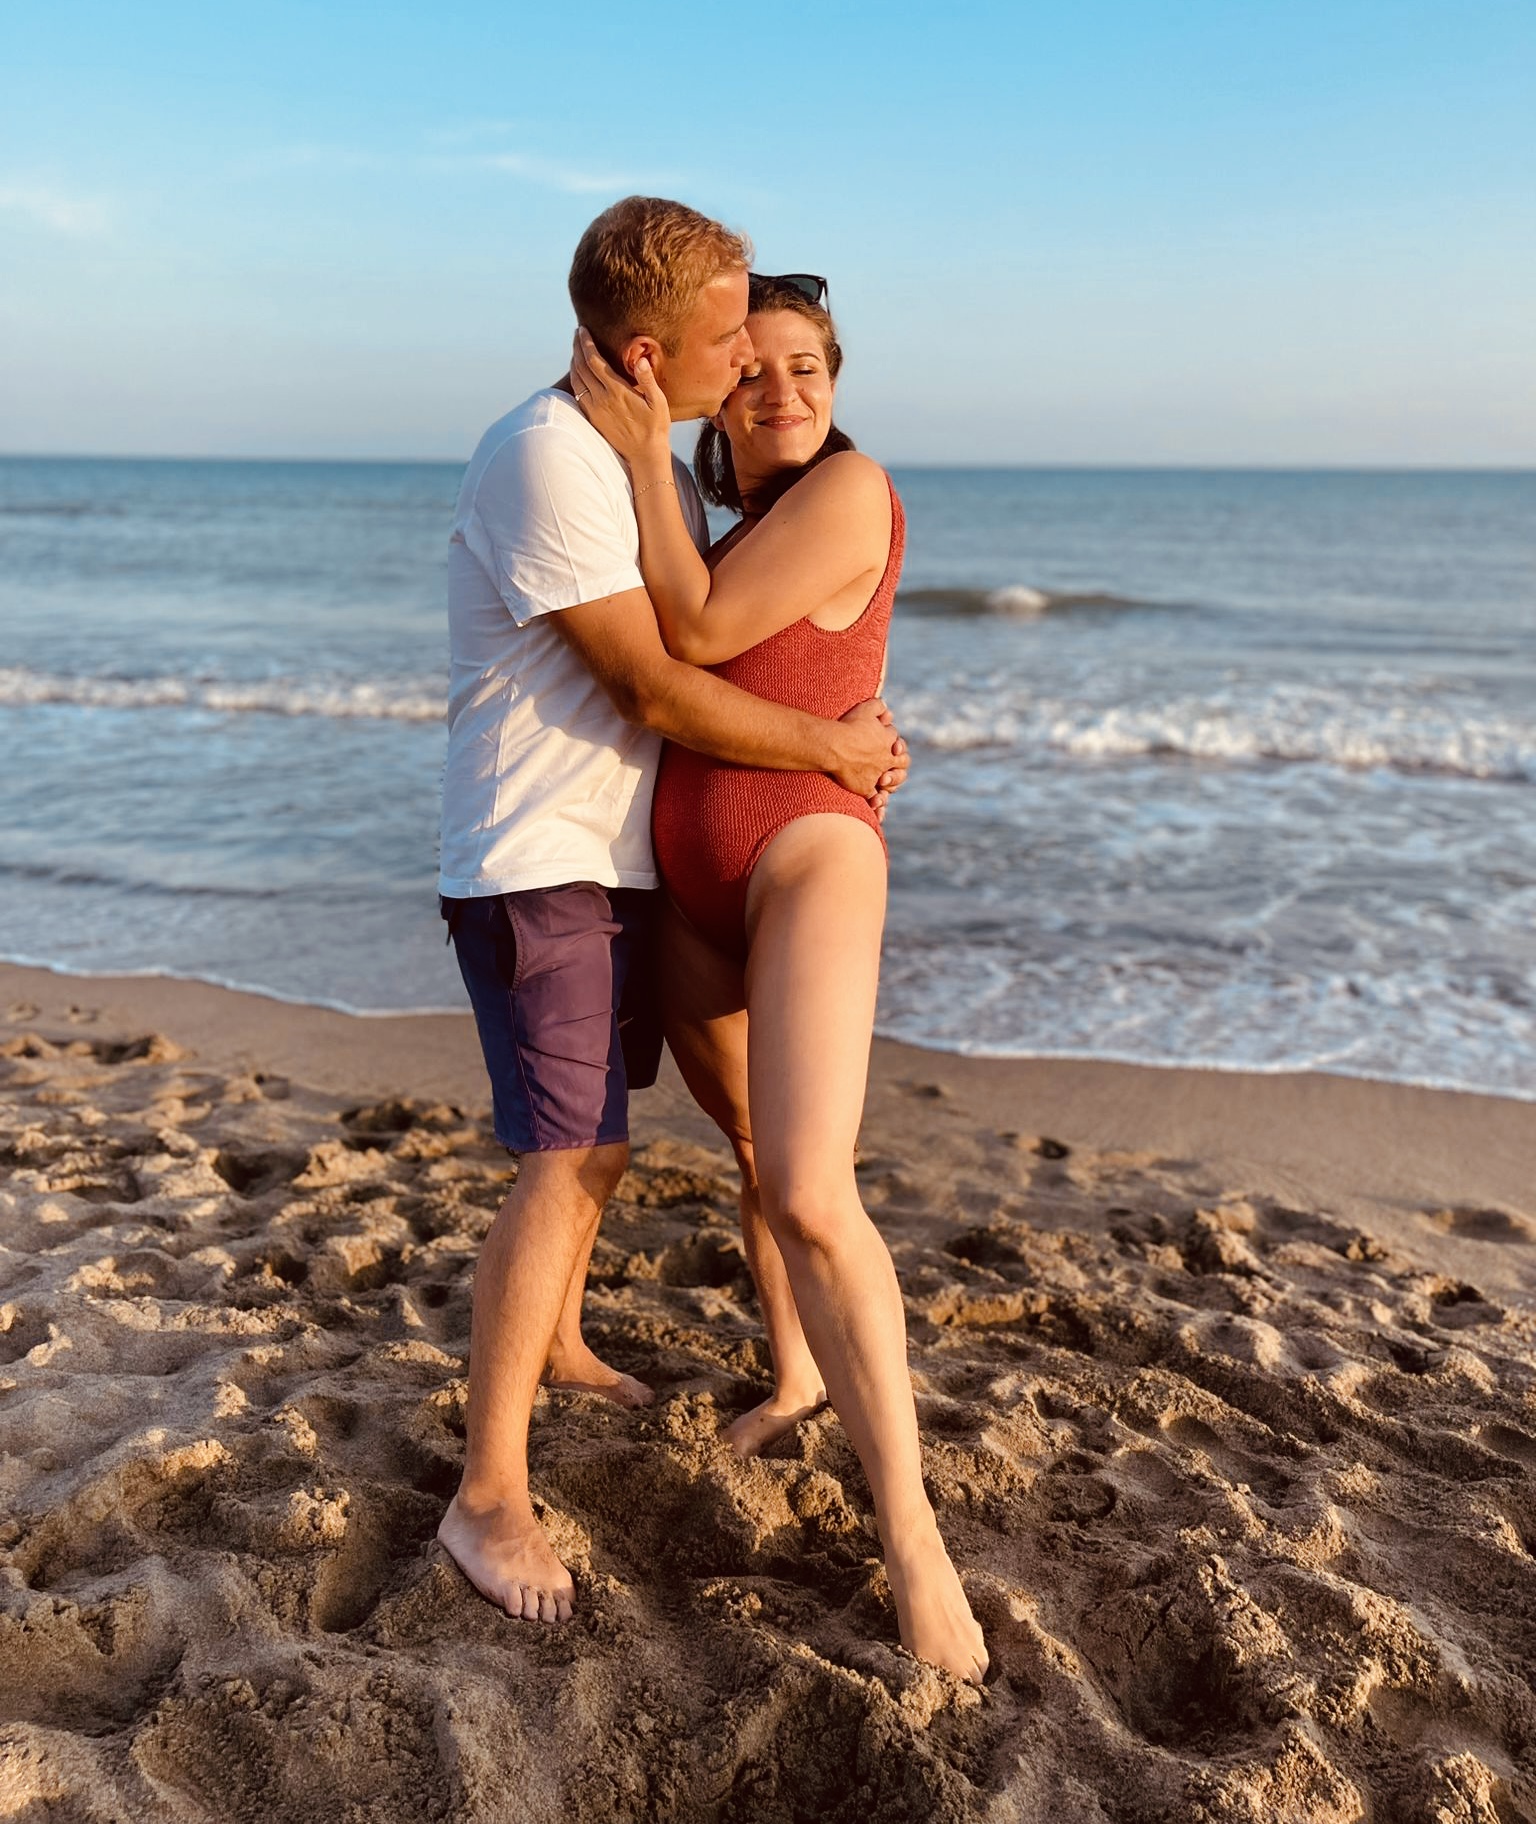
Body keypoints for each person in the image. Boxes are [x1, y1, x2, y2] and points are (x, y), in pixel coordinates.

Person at [433, 199, 908, 1632]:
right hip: (544, 856)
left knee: (635, 1146)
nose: (750, 369)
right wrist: (833, 750)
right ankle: (489, 1497)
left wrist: (837, 726)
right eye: (728, 341)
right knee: (572, 1156)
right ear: (655, 351)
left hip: (619, 859)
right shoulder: (556, 459)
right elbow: (660, 678)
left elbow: (755, 638)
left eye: (793, 357)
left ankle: (567, 1338)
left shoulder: (667, 475)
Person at [569, 274, 988, 1684]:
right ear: (719, 386)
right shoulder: (722, 518)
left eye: (806, 367)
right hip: (692, 877)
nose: (783, 392)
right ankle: (800, 1372)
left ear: (837, 378)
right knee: (752, 1151)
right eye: (751, 370)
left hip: (809, 853)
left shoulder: (851, 491)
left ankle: (915, 1544)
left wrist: (633, 442)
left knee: (813, 1188)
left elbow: (689, 635)